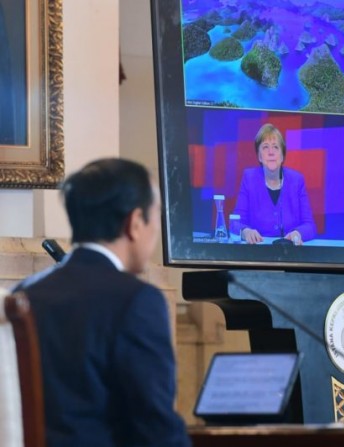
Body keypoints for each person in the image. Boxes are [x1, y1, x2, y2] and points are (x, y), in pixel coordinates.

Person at [12, 158, 191, 447]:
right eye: (157, 216)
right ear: (135, 223)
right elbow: (155, 426)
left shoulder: (24, 294)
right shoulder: (137, 300)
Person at [234, 123, 316, 245]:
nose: (271, 152)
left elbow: (310, 226)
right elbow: (235, 222)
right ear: (259, 156)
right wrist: (246, 232)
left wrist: (298, 233)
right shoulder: (249, 178)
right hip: (258, 254)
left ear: (282, 156)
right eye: (265, 147)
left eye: (276, 147)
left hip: (290, 254)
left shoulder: (296, 180)